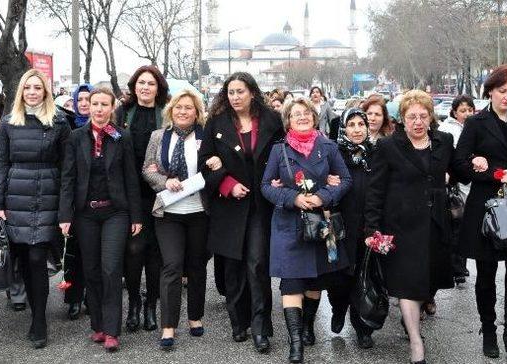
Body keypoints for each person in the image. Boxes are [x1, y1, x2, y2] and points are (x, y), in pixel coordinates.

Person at [454, 65, 507, 363]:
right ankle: (488, 330)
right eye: (502, 91)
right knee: (487, 274)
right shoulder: (477, 123)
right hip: (485, 205)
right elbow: (460, 164)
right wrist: (488, 169)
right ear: (490, 91)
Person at [364, 90, 457, 364]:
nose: (417, 121)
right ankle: (416, 342)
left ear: (431, 117)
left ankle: (412, 319)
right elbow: (375, 190)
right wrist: (371, 229)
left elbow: (458, 170)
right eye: (411, 116)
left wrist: (478, 164)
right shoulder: (389, 146)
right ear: (402, 119)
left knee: (427, 281)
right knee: (407, 285)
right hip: (401, 227)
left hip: (435, 224)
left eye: (423, 116)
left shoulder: (444, 142)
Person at [199, 72, 284, 353]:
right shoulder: (216, 124)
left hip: (261, 204)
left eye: (240, 91)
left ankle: (261, 328)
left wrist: (280, 180)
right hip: (229, 205)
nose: (235, 97)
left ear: (252, 93)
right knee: (233, 266)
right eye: (231, 92)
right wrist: (226, 183)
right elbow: (203, 165)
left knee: (257, 264)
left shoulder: (271, 120)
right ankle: (239, 322)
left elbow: (283, 157)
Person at [261, 97, 351, 363]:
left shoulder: (329, 146)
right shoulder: (279, 150)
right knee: (290, 282)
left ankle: (309, 325)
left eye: (306, 113)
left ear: (314, 117)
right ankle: (296, 342)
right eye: (295, 114)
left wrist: (324, 195)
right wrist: (292, 198)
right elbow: (266, 186)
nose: (301, 117)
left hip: (320, 224)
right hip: (289, 224)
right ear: (288, 120)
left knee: (315, 280)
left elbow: (345, 180)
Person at [0, 69, 71, 349]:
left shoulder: (60, 122)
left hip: (47, 196)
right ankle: (35, 312)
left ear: (46, 92)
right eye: (28, 88)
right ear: (21, 92)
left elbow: (67, 169)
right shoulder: (9, 123)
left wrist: (65, 209)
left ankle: (40, 320)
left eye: (38, 87)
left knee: (38, 257)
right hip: (16, 198)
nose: (33, 92)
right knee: (24, 259)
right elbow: (1, 164)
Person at [59, 87, 142, 352]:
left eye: (104, 104)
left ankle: (112, 330)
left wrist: (136, 215)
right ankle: (98, 325)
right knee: (92, 270)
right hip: (85, 214)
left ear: (111, 107)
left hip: (115, 212)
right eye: (94, 103)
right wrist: (65, 215)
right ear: (87, 106)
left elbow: (131, 178)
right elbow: (68, 179)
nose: (98, 108)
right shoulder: (75, 137)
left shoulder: (122, 137)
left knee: (110, 269)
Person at [142, 90, 210, 349]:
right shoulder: (158, 137)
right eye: (179, 107)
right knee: (171, 266)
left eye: (189, 108)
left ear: (197, 112)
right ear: (171, 110)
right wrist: (164, 181)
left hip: (199, 212)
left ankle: (195, 316)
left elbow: (215, 167)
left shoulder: (206, 137)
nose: (183, 111)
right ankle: (168, 325)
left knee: (196, 266)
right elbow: (147, 169)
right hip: (168, 212)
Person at [115, 65, 168, 332]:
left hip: (160, 192)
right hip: (129, 191)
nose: (145, 88)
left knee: (156, 253)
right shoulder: (122, 112)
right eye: (141, 83)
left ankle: (151, 305)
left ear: (159, 88)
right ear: (134, 86)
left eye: (151, 83)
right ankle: (134, 301)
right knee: (134, 250)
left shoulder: (167, 114)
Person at [327, 108, 376, 348]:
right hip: (339, 226)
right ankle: (338, 309)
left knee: (363, 277)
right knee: (339, 278)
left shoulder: (376, 154)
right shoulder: (334, 154)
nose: (357, 129)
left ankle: (362, 327)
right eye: (352, 124)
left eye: (361, 124)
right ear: (344, 128)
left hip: (368, 226)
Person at [60, 83, 94, 321]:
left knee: (95, 254)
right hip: (75, 199)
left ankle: (92, 298)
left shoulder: (106, 129)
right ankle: (73, 298)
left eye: (88, 99)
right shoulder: (67, 127)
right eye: (79, 99)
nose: (83, 103)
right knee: (74, 254)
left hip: (98, 200)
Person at [437, 95, 475, 286]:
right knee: (456, 224)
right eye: (462, 110)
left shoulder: (476, 127)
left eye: (470, 110)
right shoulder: (446, 130)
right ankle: (456, 267)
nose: (467, 114)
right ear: (454, 112)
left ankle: (461, 264)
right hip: (454, 185)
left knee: (466, 226)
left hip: (472, 183)